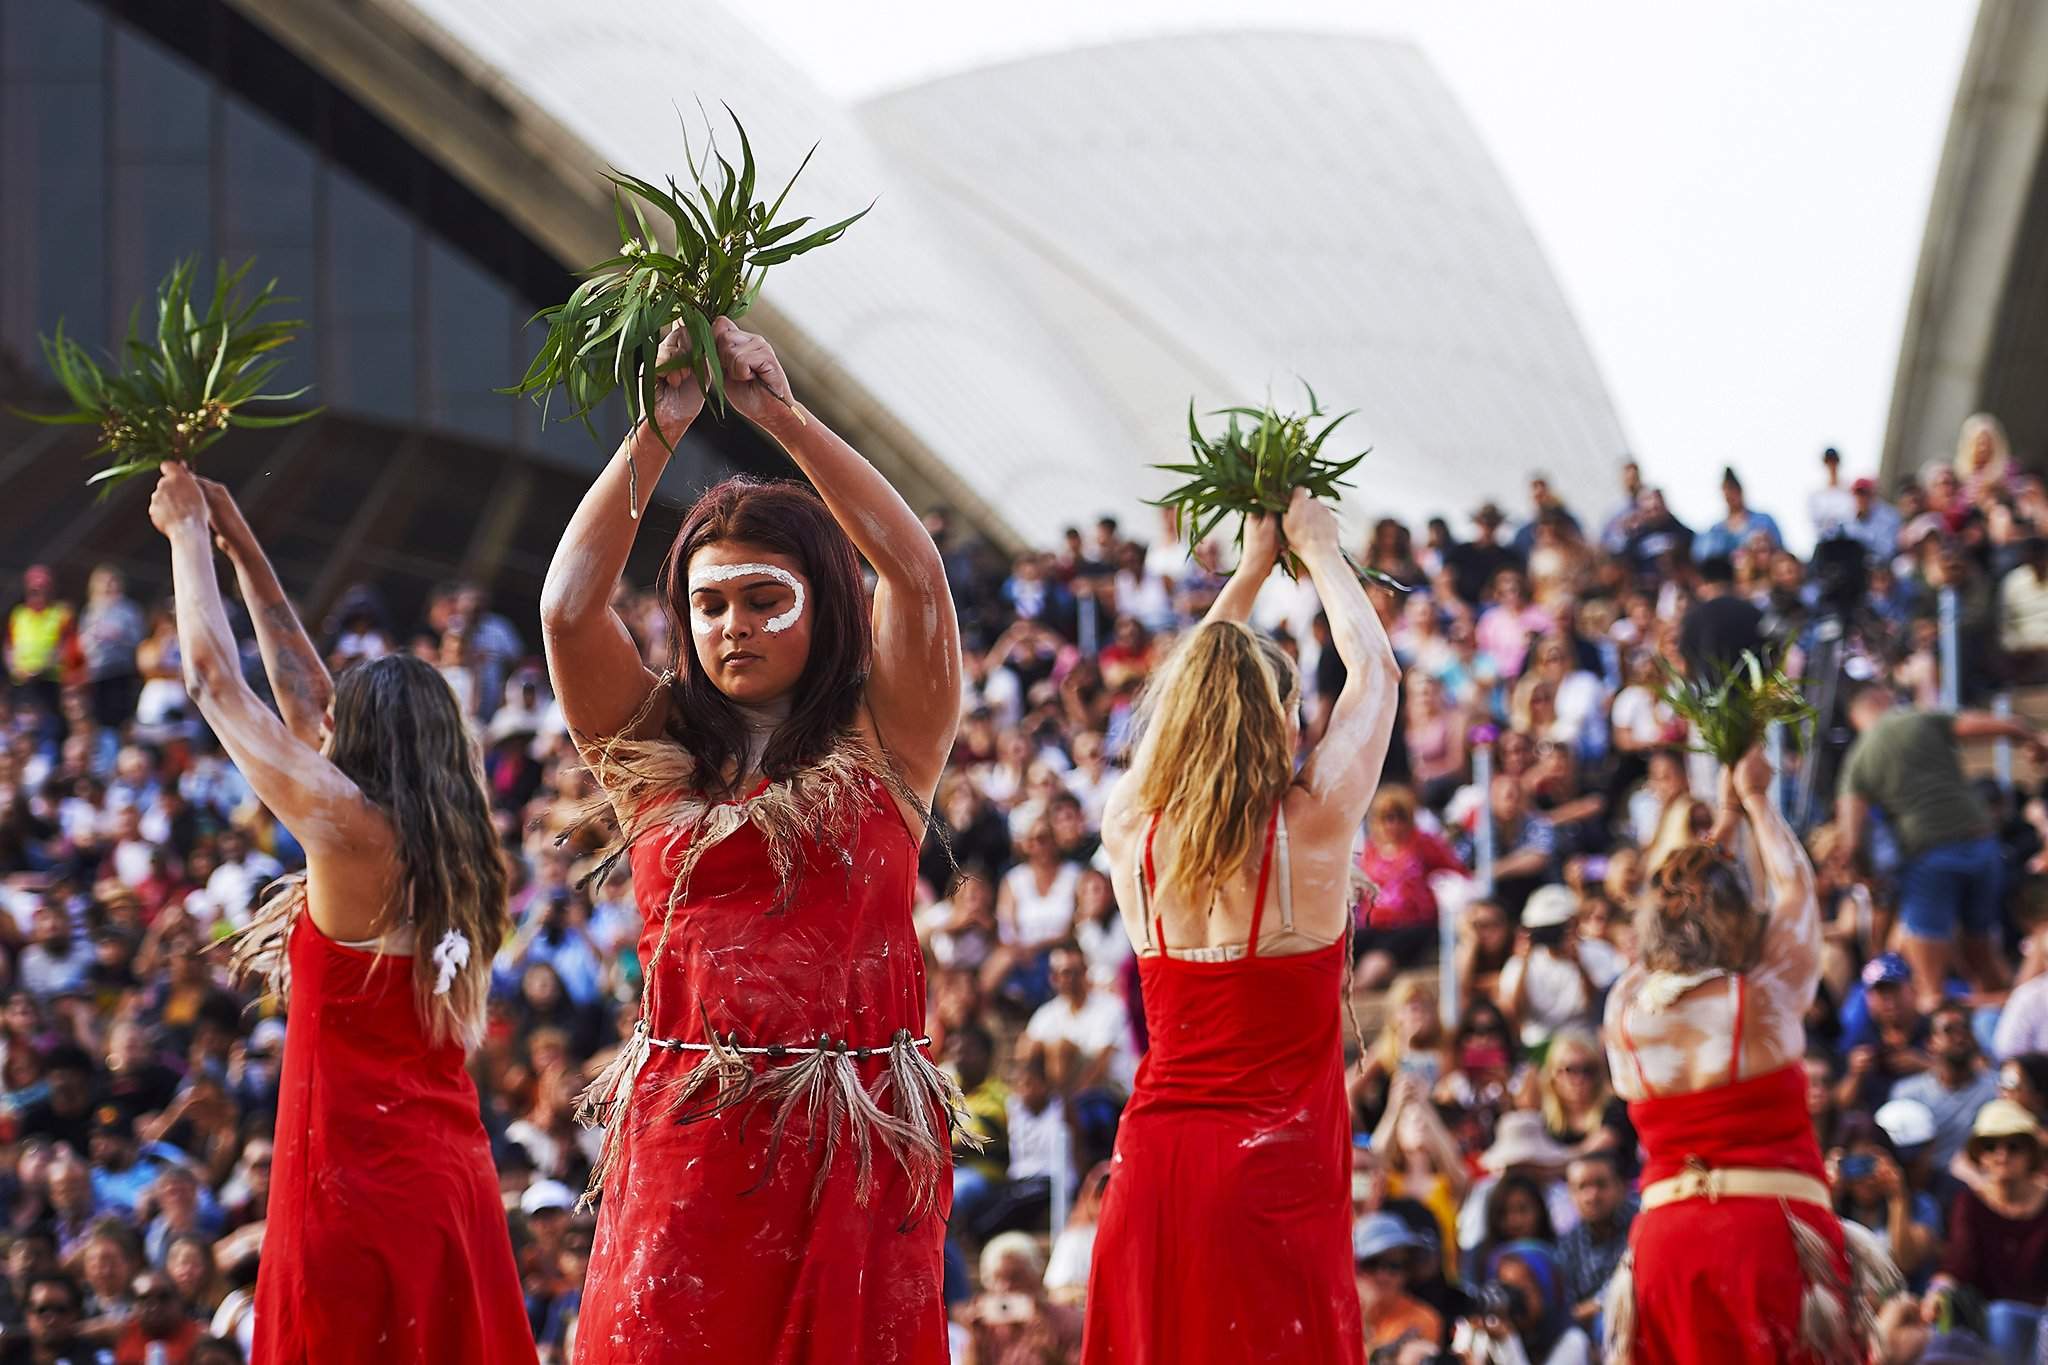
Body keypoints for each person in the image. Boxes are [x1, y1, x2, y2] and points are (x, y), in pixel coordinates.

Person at [541, 318, 967, 1363]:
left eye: (765, 600)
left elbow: (914, 580)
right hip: (688, 1142)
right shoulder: (651, 751)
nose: (731, 625)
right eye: (708, 605)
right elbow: (564, 609)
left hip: (854, 1139)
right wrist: (660, 425)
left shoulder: (890, 740)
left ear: (825, 608)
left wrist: (778, 412)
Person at [145, 465, 533, 1364]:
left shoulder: (354, 835)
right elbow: (311, 701)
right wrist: (240, 539)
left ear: (354, 745)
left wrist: (186, 537)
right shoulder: (462, 854)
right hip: (448, 1184)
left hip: (355, 1193)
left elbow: (211, 683)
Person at [1085, 488, 1399, 1363]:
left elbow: (1170, 721)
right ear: (1281, 720)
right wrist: (1322, 552)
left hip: (1153, 1166)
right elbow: (1375, 678)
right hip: (1271, 1171)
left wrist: (1252, 571)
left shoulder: (1132, 832)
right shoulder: (1313, 830)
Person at [1603, 745, 1898, 1364]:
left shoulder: (1623, 1008)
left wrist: (1724, 827)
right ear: (1737, 920)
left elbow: (1672, 913)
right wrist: (1760, 803)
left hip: (1664, 1247)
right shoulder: (1757, 999)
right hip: (1766, 1232)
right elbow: (1796, 896)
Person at [1835, 682, 2046, 1007]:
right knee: (1986, 965)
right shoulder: (1920, 719)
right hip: (1981, 844)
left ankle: (1951, 1030)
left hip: (1928, 858)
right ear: (1882, 699)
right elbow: (1992, 725)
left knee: (1930, 987)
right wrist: (2030, 739)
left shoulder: (1858, 760)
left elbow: (1850, 840)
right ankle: (2007, 1029)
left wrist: (1867, 879)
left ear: (1855, 717)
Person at [1931, 1100, 2048, 1363]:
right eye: (1990, 1146)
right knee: (1996, 1315)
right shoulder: (1970, 1202)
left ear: (2031, 1152)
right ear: (1979, 1154)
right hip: (1985, 1319)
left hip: (2042, 1317)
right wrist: (1938, 1291)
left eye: (2013, 1146)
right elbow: (1958, 1261)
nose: (2001, 1155)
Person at [1556, 1153, 1635, 1332]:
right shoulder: (1568, 1242)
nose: (1591, 1196)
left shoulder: (1639, 1226)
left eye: (1601, 1185)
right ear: (1570, 1194)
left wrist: (1598, 1304)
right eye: (1582, 1187)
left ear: (1622, 1187)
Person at [1354, 1213, 1443, 1353]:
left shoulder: (1421, 1319)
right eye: (1372, 1264)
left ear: (1408, 1270)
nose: (1383, 1276)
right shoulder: (1337, 1318)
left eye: (1394, 1265)